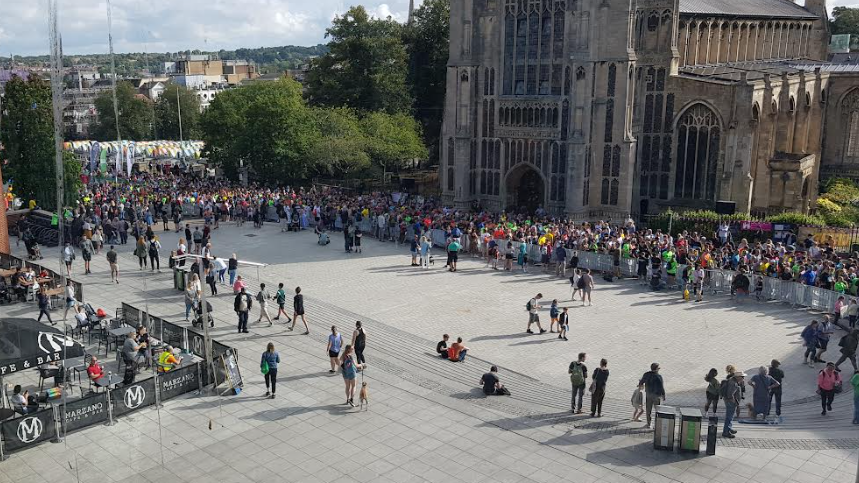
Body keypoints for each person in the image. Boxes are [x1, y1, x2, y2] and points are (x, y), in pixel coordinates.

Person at [639, 362, 666, 429]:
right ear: (656, 369)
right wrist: (663, 395)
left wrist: (641, 386)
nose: (659, 369)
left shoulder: (646, 374)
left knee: (648, 410)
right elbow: (661, 387)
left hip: (648, 394)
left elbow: (641, 382)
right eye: (658, 368)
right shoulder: (658, 377)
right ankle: (656, 425)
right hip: (656, 396)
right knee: (657, 410)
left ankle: (648, 423)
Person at [722, 371, 745, 438]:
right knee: (729, 417)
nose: (743, 378)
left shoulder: (732, 380)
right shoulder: (733, 383)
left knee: (730, 417)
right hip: (730, 402)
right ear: (738, 377)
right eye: (742, 377)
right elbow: (730, 394)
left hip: (729, 401)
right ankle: (726, 432)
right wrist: (734, 402)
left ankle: (729, 428)